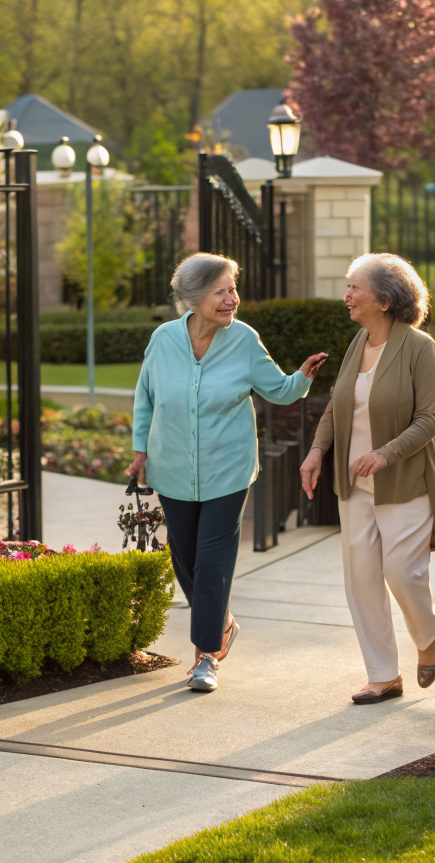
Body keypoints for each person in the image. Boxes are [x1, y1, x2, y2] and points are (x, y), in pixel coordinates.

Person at [128, 253, 327, 693]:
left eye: (233, 289)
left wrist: (302, 377)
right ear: (195, 298)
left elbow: (277, 388)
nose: (232, 299)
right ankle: (225, 623)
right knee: (185, 559)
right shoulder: (163, 340)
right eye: (221, 291)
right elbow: (146, 397)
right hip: (172, 466)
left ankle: (205, 657)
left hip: (228, 470)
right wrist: (140, 450)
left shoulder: (244, 340)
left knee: (213, 560)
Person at [299, 253, 435, 705]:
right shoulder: (357, 343)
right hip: (354, 486)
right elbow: (337, 405)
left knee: (402, 574)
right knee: (362, 578)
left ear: (383, 299)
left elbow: (430, 419)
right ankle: (383, 676)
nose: (346, 296)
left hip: (405, 481)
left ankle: (428, 635)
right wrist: (316, 450)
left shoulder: (419, 347)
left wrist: (385, 454)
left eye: (354, 288)